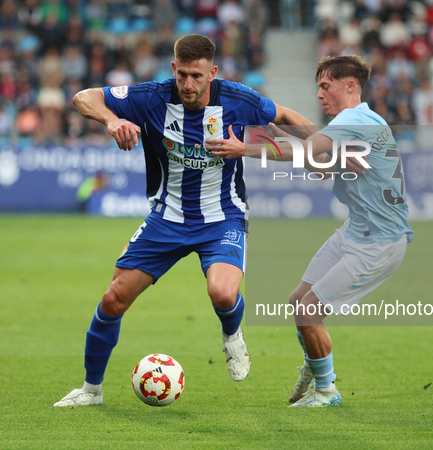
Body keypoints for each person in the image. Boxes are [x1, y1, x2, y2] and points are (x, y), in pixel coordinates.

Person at [54, 34, 312, 407]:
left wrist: (319, 141)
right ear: (173, 69)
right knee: (113, 299)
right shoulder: (152, 97)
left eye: (197, 76)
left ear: (213, 72)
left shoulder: (238, 99)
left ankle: (232, 334)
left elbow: (286, 117)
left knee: (222, 293)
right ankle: (91, 391)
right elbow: (84, 97)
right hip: (166, 218)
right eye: (183, 75)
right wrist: (112, 121)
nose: (189, 85)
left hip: (222, 217)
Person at [206, 55, 414, 407]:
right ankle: (315, 365)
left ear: (350, 87)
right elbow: (324, 164)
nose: (319, 94)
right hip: (357, 231)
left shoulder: (353, 119)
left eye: (325, 86)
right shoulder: (366, 121)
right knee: (297, 301)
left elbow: (305, 149)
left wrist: (246, 147)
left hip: (378, 243)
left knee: (309, 311)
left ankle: (326, 389)